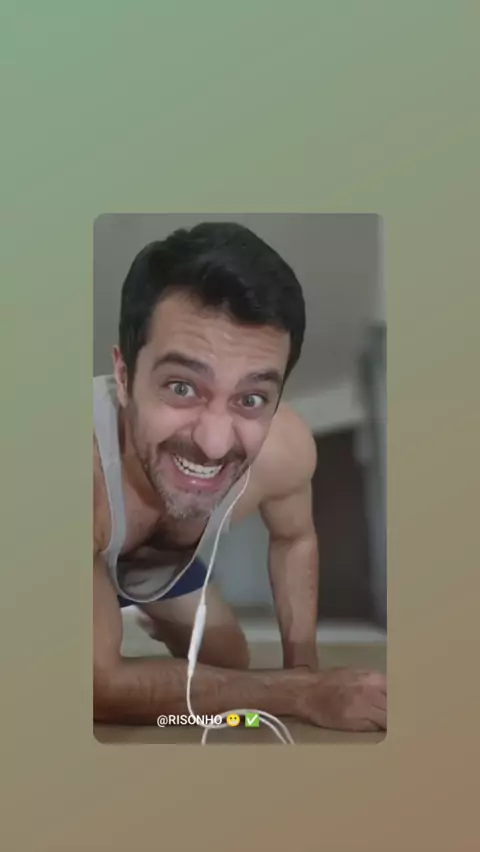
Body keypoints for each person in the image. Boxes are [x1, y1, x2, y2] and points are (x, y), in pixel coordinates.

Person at [93, 221, 386, 731]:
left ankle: (151, 612)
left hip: (163, 567)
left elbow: (295, 539)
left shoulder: (284, 450)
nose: (214, 444)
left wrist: (303, 669)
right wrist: (301, 695)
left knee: (231, 660)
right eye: (182, 387)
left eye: (251, 398)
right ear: (123, 377)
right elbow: (97, 687)